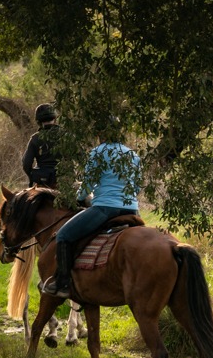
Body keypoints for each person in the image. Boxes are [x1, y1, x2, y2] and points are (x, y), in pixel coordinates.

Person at [41, 121, 142, 304]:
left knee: (63, 235)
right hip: (132, 209)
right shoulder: (133, 155)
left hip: (105, 209)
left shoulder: (98, 152)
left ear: (101, 134)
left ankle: (63, 283)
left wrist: (79, 198)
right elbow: (137, 186)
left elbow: (87, 185)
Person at [22, 103, 60, 190]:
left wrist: (33, 177)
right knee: (85, 200)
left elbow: (26, 164)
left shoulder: (35, 138)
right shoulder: (67, 135)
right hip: (66, 180)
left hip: (42, 182)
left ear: (38, 121)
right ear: (55, 118)